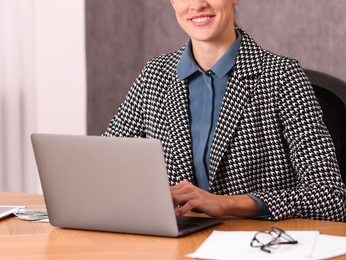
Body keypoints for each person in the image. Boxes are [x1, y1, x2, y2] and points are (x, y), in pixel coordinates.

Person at [103, 0, 346, 222]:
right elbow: (106, 168)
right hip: (174, 244)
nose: (197, 4)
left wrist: (227, 203)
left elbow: (330, 197)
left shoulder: (283, 76)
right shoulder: (154, 76)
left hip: (256, 245)